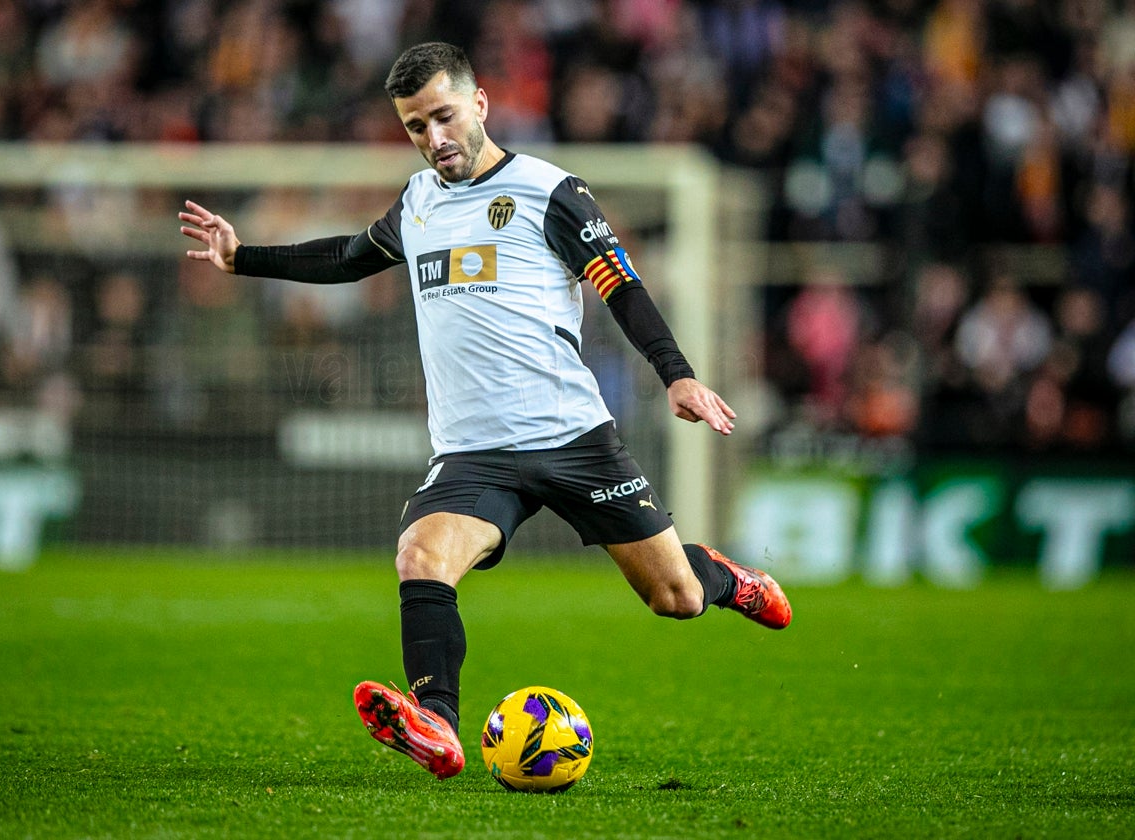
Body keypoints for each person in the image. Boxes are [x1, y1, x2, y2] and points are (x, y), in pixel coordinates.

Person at [179, 41, 791, 781]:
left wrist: (678, 376)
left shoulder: (550, 191)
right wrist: (244, 257)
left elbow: (619, 284)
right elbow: (346, 257)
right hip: (473, 453)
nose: (434, 139)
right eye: (414, 126)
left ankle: (727, 579)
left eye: (442, 117)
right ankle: (436, 721)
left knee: (675, 597)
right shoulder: (416, 203)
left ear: (480, 104)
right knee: (419, 556)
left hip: (573, 438)